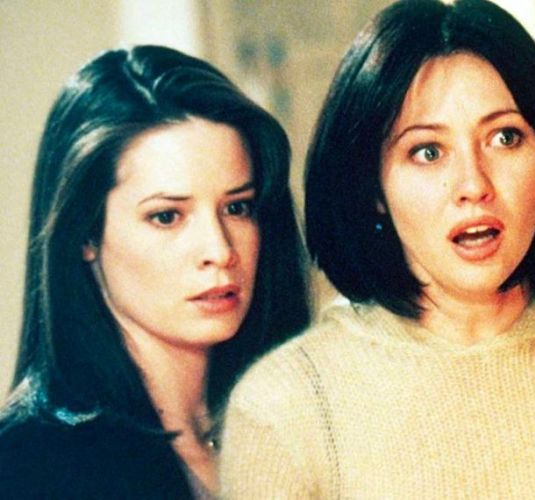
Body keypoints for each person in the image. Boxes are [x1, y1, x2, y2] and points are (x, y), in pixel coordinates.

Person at [220, 0, 535, 497]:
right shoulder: (285, 409)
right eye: (427, 152)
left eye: (504, 138)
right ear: (372, 188)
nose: (473, 185)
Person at [0, 45, 310, 498]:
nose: (220, 250)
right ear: (85, 235)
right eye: (167, 216)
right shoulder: (31, 464)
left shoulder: (289, 430)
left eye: (237, 208)